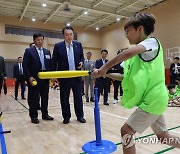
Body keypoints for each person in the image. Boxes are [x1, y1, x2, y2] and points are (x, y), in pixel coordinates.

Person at [91, 12, 180, 153]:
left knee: (126, 131)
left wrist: (103, 68)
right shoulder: (137, 56)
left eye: (128, 31)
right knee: (164, 137)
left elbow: (126, 53)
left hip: (153, 99)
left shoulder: (152, 42)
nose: (126, 35)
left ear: (140, 29)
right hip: (155, 100)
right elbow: (125, 77)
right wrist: (105, 74)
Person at [52, 26, 86, 124]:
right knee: (64, 98)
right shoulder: (58, 46)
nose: (69, 37)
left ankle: (80, 116)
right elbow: (54, 61)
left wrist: (81, 62)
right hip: (64, 77)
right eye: (66, 35)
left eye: (71, 34)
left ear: (73, 35)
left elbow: (82, 57)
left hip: (76, 77)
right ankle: (66, 117)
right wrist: (53, 75)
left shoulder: (78, 45)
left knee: (78, 97)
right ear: (63, 35)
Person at [23, 33, 54, 124]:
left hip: (45, 78)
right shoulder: (29, 51)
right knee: (34, 98)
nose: (40, 41)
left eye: (41, 40)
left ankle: (45, 114)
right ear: (34, 40)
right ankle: (33, 116)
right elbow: (25, 66)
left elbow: (50, 65)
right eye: (38, 40)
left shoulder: (47, 52)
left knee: (45, 97)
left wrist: (51, 76)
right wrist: (29, 77)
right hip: (34, 78)